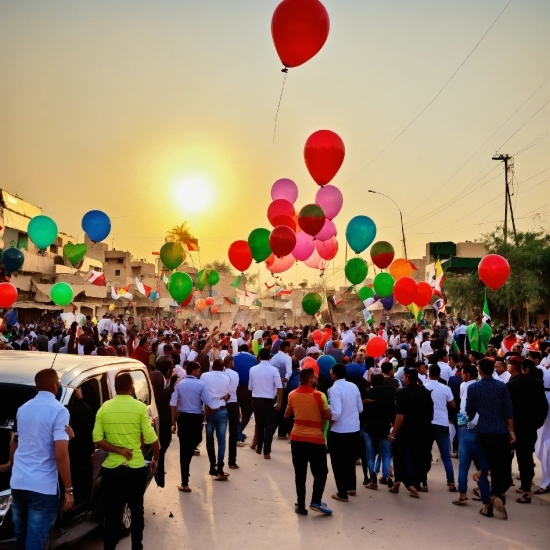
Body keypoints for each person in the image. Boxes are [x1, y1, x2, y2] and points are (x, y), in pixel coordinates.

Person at [92, 372, 159, 550]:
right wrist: (155, 459)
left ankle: (109, 547)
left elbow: (97, 438)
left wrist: (118, 450)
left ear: (115, 387)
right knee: (137, 511)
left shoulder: (104, 408)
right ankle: (137, 546)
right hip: (135, 469)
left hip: (111, 471)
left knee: (112, 513)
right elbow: (153, 440)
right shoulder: (140, 408)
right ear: (132, 387)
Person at [10, 369, 74, 550]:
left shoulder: (22, 409)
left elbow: (15, 441)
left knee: (20, 536)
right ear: (55, 386)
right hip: (42, 486)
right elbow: (61, 454)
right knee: (35, 540)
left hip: (18, 482)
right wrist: (69, 489)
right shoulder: (59, 411)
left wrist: (11, 464)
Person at [466, 358, 514, 519]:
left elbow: (469, 409)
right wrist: (511, 431)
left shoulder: (474, 388)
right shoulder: (501, 386)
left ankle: (487, 505)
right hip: (501, 431)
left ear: (479, 371)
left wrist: (473, 417)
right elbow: (508, 409)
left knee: (484, 468)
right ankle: (497, 494)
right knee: (501, 466)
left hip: (484, 431)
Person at [284, 367, 333, 516]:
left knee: (300, 473)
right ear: (311, 379)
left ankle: (300, 505)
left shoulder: (292, 395)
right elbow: (329, 416)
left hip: (297, 438)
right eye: (315, 377)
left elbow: (287, 414)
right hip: (316, 440)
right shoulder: (320, 396)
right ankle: (316, 501)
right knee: (321, 472)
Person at [506, 357, 548, 503]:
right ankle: (525, 486)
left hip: (514, 426)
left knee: (508, 455)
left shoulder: (510, 385)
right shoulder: (536, 384)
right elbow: (544, 406)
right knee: (526, 456)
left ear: (511, 370)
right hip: (530, 426)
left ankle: (506, 483)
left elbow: (507, 408)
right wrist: (537, 423)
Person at [389, 368, 433, 498]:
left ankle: (403, 482)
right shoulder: (426, 393)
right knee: (418, 457)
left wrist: (393, 433)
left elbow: (400, 416)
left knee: (399, 456)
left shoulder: (401, 394)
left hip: (405, 430)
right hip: (422, 430)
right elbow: (430, 414)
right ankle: (413, 482)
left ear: (407, 377)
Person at [453, 364, 491, 509]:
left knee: (463, 464)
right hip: (482, 428)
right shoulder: (484, 387)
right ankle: (484, 493)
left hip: (467, 426)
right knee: (481, 463)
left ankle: (463, 494)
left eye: (463, 373)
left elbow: (466, 410)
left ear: (468, 375)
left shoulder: (466, 386)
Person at [170, 361, 212, 492]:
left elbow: (172, 403)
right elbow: (208, 402)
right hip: (196, 418)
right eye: (198, 370)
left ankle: (184, 481)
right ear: (193, 370)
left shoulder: (179, 384)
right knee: (194, 442)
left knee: (184, 449)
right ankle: (185, 477)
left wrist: (173, 422)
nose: (199, 372)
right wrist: (205, 416)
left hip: (183, 418)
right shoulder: (201, 384)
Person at [327, 363, 363, 503]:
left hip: (339, 430)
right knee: (350, 459)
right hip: (354, 428)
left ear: (334, 375)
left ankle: (342, 492)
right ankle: (351, 487)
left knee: (338, 462)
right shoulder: (353, 386)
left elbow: (335, 413)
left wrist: (328, 425)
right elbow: (360, 408)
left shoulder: (333, 389)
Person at [424, 365, 457, 491]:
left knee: (425, 453)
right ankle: (451, 482)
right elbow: (453, 404)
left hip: (428, 423)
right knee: (445, 455)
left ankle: (424, 482)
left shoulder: (424, 388)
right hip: (442, 423)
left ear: (429, 374)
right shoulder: (446, 388)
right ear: (439, 375)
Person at [361, 373, 395, 489]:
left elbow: (363, 411)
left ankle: (373, 478)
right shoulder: (389, 395)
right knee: (386, 453)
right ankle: (386, 477)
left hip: (370, 428)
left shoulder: (369, 394)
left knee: (370, 455)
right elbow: (392, 412)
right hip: (384, 427)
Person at [248, 348, 283, 459]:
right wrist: (280, 402)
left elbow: (250, 387)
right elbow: (279, 387)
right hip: (269, 400)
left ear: (259, 357)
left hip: (256, 399)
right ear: (269, 357)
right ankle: (266, 452)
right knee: (269, 426)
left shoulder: (253, 369)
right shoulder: (274, 370)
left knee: (259, 424)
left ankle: (259, 447)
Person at [201, 359, 231, 480]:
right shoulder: (226, 378)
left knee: (209, 439)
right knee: (222, 440)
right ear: (223, 368)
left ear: (212, 366)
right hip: (221, 410)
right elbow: (228, 396)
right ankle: (220, 468)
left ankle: (212, 466)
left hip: (208, 411)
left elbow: (201, 392)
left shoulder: (204, 376)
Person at [223, 355, 240, 469]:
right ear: (230, 362)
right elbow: (234, 389)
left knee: (220, 434)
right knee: (233, 433)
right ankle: (232, 461)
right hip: (233, 403)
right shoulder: (234, 374)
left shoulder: (222, 374)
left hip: (222, 404)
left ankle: (219, 462)